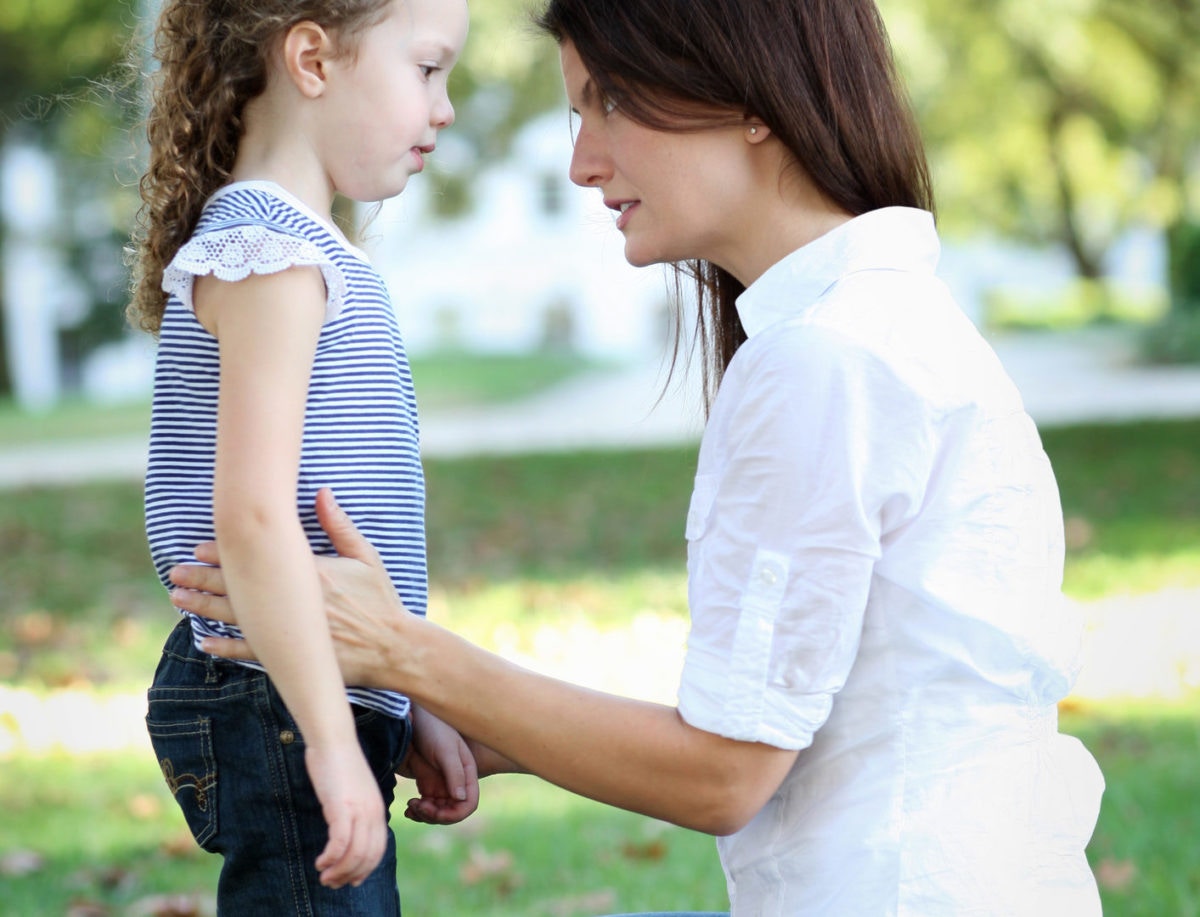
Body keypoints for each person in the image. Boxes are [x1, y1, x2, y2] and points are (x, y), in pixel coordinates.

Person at [170, 0, 1106, 913]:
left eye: (607, 100)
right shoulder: (871, 319)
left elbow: (726, 774)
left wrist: (404, 651)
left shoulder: (829, 358)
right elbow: (791, 722)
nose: (581, 162)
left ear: (748, 95)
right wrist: (466, 719)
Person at [126, 0, 476, 912]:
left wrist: (410, 701)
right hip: (272, 697)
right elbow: (253, 514)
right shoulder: (270, 256)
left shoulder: (309, 253)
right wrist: (326, 738)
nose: (444, 108)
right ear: (313, 60)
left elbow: (353, 535)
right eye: (429, 69)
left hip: (304, 685)